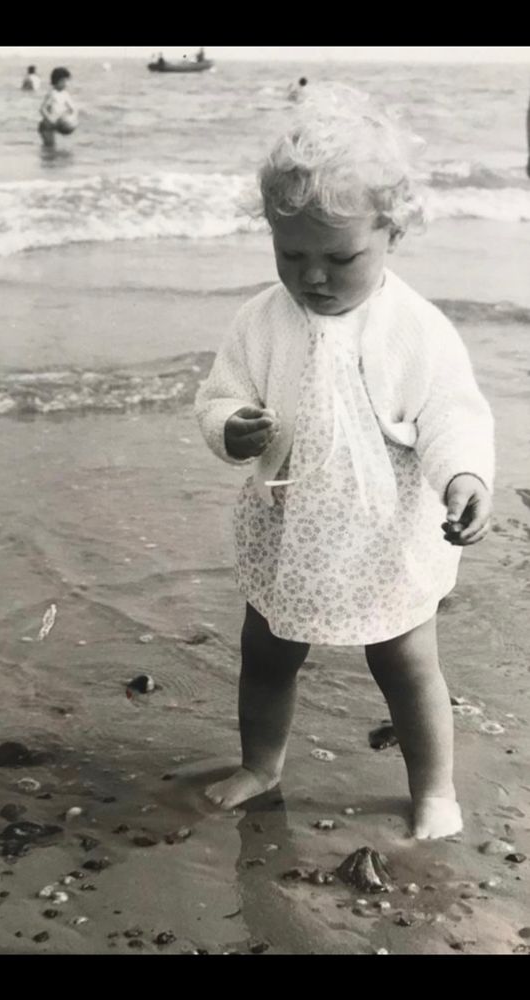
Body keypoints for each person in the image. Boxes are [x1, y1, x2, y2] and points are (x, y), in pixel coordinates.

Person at [195, 89, 494, 841]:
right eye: (291, 255)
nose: (314, 277)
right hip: (286, 527)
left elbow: (451, 412)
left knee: (405, 663)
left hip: (382, 535)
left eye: (339, 257)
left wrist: (464, 477)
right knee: (265, 654)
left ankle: (432, 789)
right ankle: (261, 764)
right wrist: (229, 426)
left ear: (391, 231)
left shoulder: (413, 327)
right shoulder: (261, 318)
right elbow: (220, 391)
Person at [38, 67, 77, 148]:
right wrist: (50, 120)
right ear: (59, 81)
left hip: (57, 124)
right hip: (46, 126)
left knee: (54, 147)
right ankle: (46, 158)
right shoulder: (52, 94)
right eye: (65, 81)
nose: (67, 84)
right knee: (49, 146)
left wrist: (71, 119)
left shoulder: (65, 94)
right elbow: (42, 109)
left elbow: (73, 109)